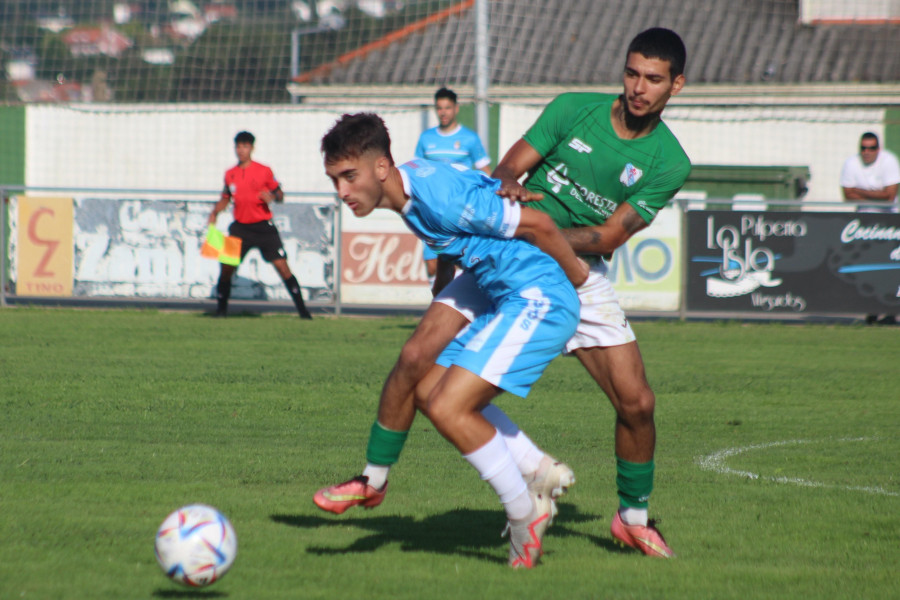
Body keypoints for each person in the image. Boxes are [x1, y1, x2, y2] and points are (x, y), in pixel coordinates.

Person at [314, 27, 689, 559]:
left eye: (652, 79)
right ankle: (377, 480)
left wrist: (528, 232)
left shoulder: (668, 162)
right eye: (631, 73)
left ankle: (631, 518)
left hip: (569, 264)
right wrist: (506, 189)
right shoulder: (572, 109)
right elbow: (508, 168)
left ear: (676, 86)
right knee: (417, 358)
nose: (637, 87)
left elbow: (609, 235)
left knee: (637, 403)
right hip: (503, 251)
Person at [319, 112, 588, 568]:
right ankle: (378, 480)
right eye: (335, 180)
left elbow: (539, 225)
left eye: (349, 177)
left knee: (447, 406)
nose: (342, 192)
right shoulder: (411, 186)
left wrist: (580, 279)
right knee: (420, 373)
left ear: (381, 167)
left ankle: (525, 515)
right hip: (492, 282)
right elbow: (452, 236)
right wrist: (444, 280)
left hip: (534, 294)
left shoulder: (435, 197)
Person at [207, 131, 312, 319]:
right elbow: (225, 198)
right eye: (238, 146)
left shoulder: (264, 170)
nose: (241, 150)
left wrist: (272, 197)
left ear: (252, 148)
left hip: (263, 228)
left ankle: (304, 313)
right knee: (226, 268)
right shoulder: (230, 174)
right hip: (240, 228)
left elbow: (280, 195)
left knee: (282, 268)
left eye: (245, 146)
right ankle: (221, 312)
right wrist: (215, 212)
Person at [414, 87, 492, 284]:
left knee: (457, 261)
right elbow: (417, 170)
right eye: (439, 108)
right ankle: (438, 303)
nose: (443, 112)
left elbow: (485, 170)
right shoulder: (426, 138)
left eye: (447, 108)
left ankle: (456, 308)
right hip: (431, 209)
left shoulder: (469, 138)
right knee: (432, 265)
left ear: (456, 109)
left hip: (459, 208)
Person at [840, 132, 900, 325]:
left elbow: (890, 196)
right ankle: (872, 312)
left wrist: (860, 191)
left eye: (871, 148)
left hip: (890, 222)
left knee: (889, 268)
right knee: (869, 269)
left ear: (878, 149)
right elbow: (847, 195)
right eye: (863, 148)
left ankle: (890, 311)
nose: (867, 152)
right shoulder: (851, 164)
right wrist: (876, 194)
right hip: (865, 223)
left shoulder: (889, 161)